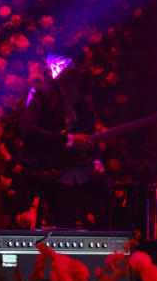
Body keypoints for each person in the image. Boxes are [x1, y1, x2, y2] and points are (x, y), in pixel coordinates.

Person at [19, 49, 107, 228]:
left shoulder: (81, 99)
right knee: (64, 208)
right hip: (54, 169)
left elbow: (90, 133)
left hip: (82, 169)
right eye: (73, 69)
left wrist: (97, 159)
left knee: (107, 198)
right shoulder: (42, 92)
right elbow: (30, 130)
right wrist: (69, 140)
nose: (78, 74)